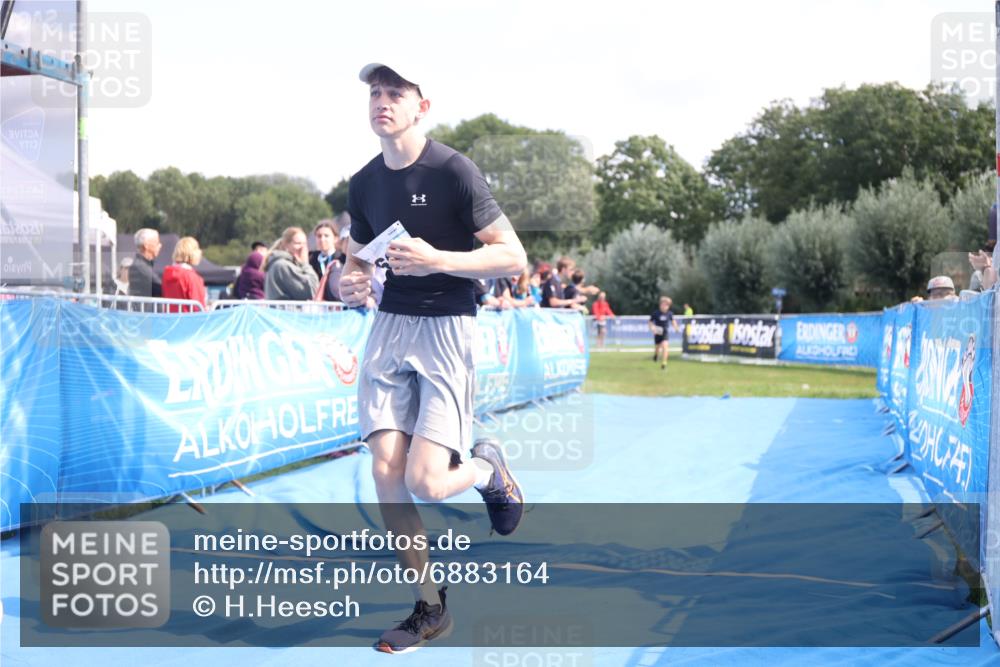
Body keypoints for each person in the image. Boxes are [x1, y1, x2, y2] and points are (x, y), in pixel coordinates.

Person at [338, 61, 527, 654]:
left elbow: (512, 257)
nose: (382, 102)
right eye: (375, 92)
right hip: (389, 329)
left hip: (447, 329)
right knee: (386, 474)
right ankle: (428, 606)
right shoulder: (364, 182)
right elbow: (357, 258)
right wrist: (352, 279)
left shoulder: (453, 170)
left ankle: (487, 470)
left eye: (395, 93)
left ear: (422, 106)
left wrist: (440, 259)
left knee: (427, 482)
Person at [264, 227, 319, 300]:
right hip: (285, 311)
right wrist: (305, 264)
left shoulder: (280, 263)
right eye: (298, 243)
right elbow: (312, 290)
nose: (303, 248)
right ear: (286, 245)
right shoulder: (283, 266)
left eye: (304, 244)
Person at [161, 236, 207, 312]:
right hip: (188, 320)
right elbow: (198, 307)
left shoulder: (166, 273)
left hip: (170, 319)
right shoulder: (191, 277)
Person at [309, 220, 345, 301]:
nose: (322, 239)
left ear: (335, 238)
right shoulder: (311, 259)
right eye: (319, 236)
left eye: (326, 236)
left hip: (337, 305)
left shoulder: (342, 258)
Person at [127, 228, 162, 297]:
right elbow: (160, 287)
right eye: (157, 242)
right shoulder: (140, 266)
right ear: (146, 245)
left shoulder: (143, 264)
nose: (160, 245)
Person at [649, 295, 680, 370]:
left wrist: (676, 327)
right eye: (663, 304)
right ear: (660, 305)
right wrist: (652, 327)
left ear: (668, 306)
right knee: (657, 347)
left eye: (666, 305)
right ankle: (656, 355)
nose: (664, 306)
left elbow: (673, 321)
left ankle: (664, 363)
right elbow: (650, 322)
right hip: (658, 331)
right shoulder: (656, 313)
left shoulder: (669, 314)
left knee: (665, 346)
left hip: (665, 332)